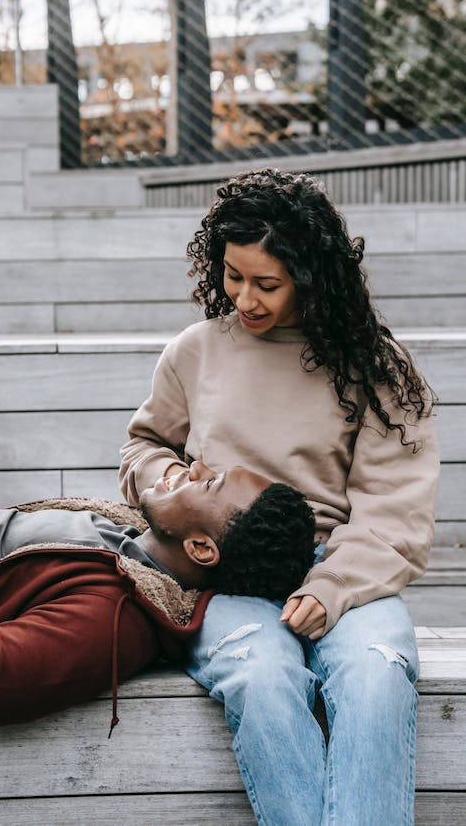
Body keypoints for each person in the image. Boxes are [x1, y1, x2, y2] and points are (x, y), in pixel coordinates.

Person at [119, 168, 439, 826]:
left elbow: (394, 510)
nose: (243, 298)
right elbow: (145, 444)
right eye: (233, 275)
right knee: (261, 678)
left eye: (267, 283)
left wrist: (331, 588)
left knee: (377, 673)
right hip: (226, 574)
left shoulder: (374, 369)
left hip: (341, 570)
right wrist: (161, 484)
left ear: (312, 276)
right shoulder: (196, 352)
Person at [0, 466, 315, 745]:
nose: (194, 466)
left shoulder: (115, 615)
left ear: (201, 548)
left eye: (210, 483)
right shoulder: (126, 535)